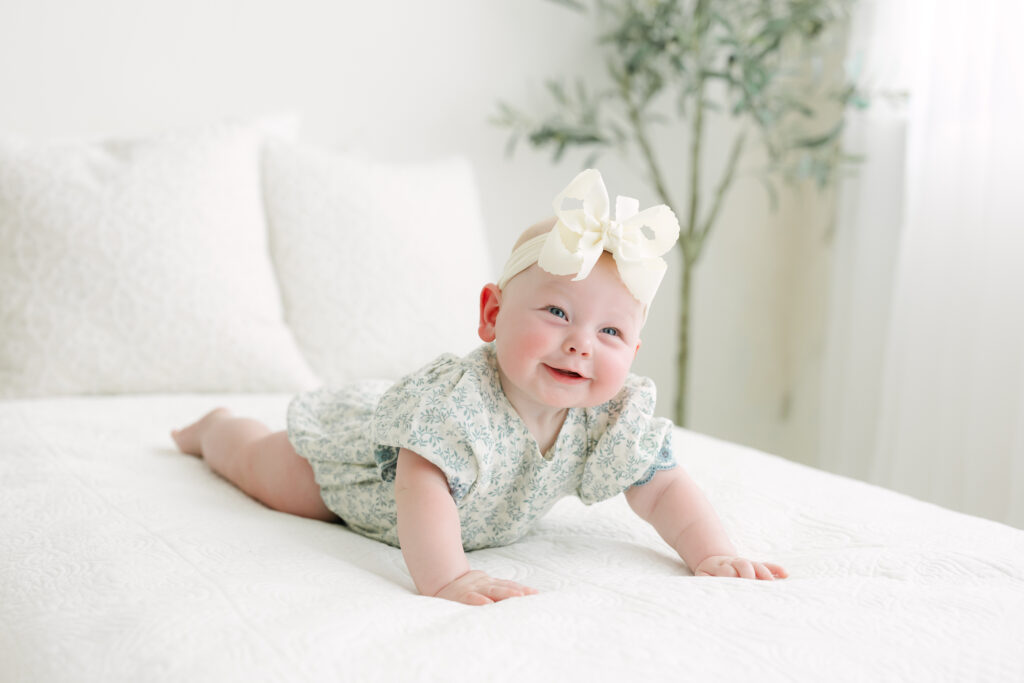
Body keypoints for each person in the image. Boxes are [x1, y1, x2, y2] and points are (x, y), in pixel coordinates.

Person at [171, 169, 788, 606]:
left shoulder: (610, 416)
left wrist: (712, 553)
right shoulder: (458, 404)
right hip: (359, 478)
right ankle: (218, 429)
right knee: (264, 471)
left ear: (632, 352)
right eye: (556, 313)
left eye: (609, 331)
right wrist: (447, 578)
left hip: (455, 502)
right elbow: (421, 481)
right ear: (492, 314)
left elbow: (663, 489)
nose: (581, 343)